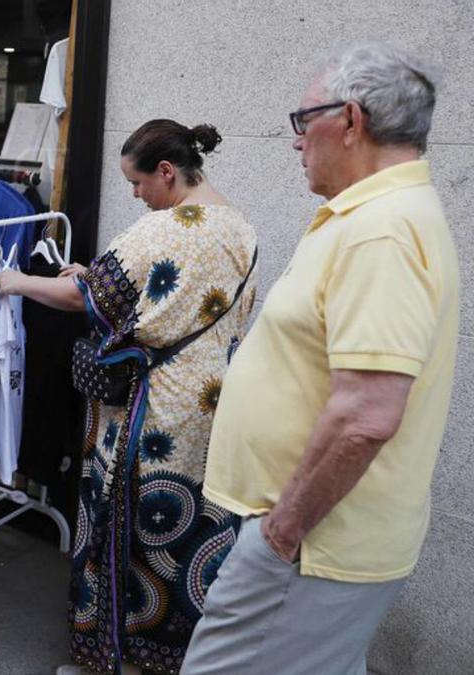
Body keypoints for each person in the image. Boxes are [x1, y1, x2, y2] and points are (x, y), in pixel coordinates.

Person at [182, 42, 458, 675]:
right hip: (313, 547)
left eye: (304, 121)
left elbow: (366, 416)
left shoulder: (382, 228)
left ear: (351, 121)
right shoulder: (375, 217)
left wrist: (281, 533)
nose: (297, 141)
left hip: (309, 548)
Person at [0, 120, 257, 675]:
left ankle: (117, 660)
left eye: (138, 184)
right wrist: (93, 278)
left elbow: (78, 298)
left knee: (128, 528)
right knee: (185, 534)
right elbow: (183, 298)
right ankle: (175, 659)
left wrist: (17, 281)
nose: (136, 196)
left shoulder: (160, 229)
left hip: (150, 408)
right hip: (212, 406)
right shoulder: (240, 228)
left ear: (166, 172)